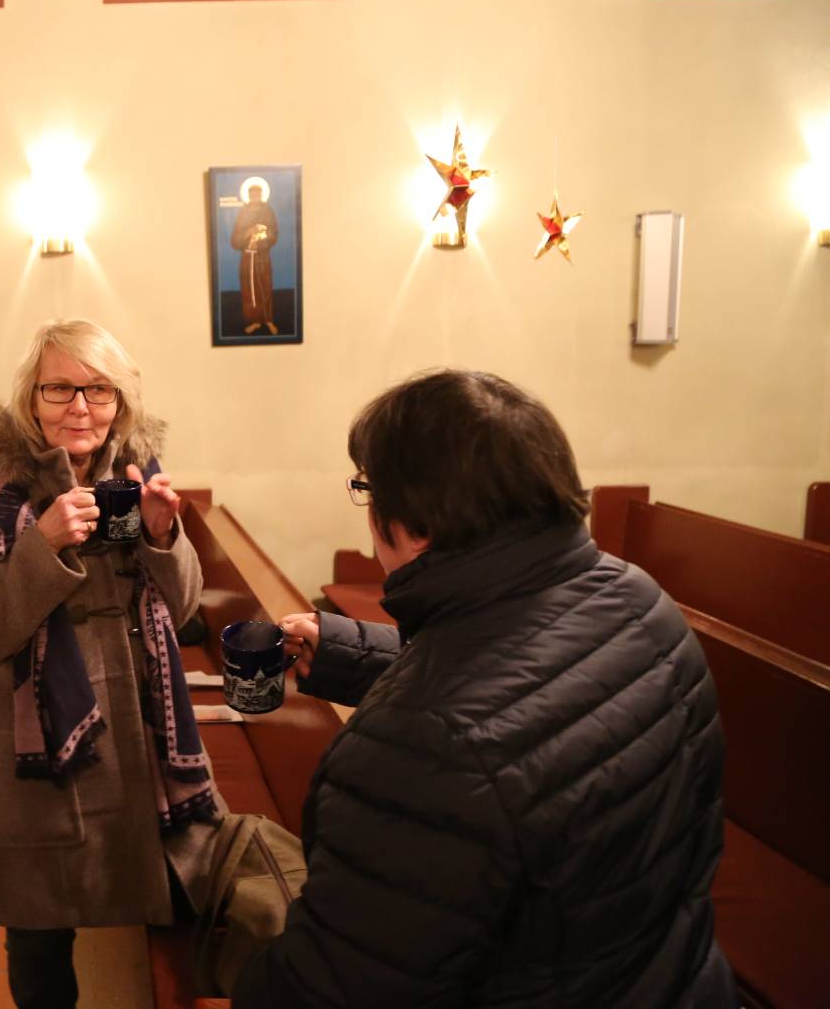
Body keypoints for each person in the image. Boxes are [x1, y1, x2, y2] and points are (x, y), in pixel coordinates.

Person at [233, 369, 733, 1008]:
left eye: (369, 488)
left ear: (418, 520)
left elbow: (334, 986)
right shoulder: (634, 596)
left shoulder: (421, 745)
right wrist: (347, 651)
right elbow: (529, 702)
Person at [0, 318, 220, 1008]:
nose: (80, 407)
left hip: (141, 733)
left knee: (176, 906)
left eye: (98, 389)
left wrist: (163, 535)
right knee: (39, 935)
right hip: (35, 748)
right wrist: (45, 545)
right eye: (59, 388)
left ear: (120, 400)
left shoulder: (139, 476)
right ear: (31, 399)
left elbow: (180, 609)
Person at [230, 183, 278, 335]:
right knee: (249, 290)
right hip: (247, 257)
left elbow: (274, 234)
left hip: (262, 256)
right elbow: (235, 239)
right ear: (249, 195)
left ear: (262, 195)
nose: (255, 197)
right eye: (252, 194)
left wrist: (261, 240)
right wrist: (248, 233)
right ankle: (255, 321)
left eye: (258, 194)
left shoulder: (268, 211)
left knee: (264, 286)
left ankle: (268, 320)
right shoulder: (243, 212)